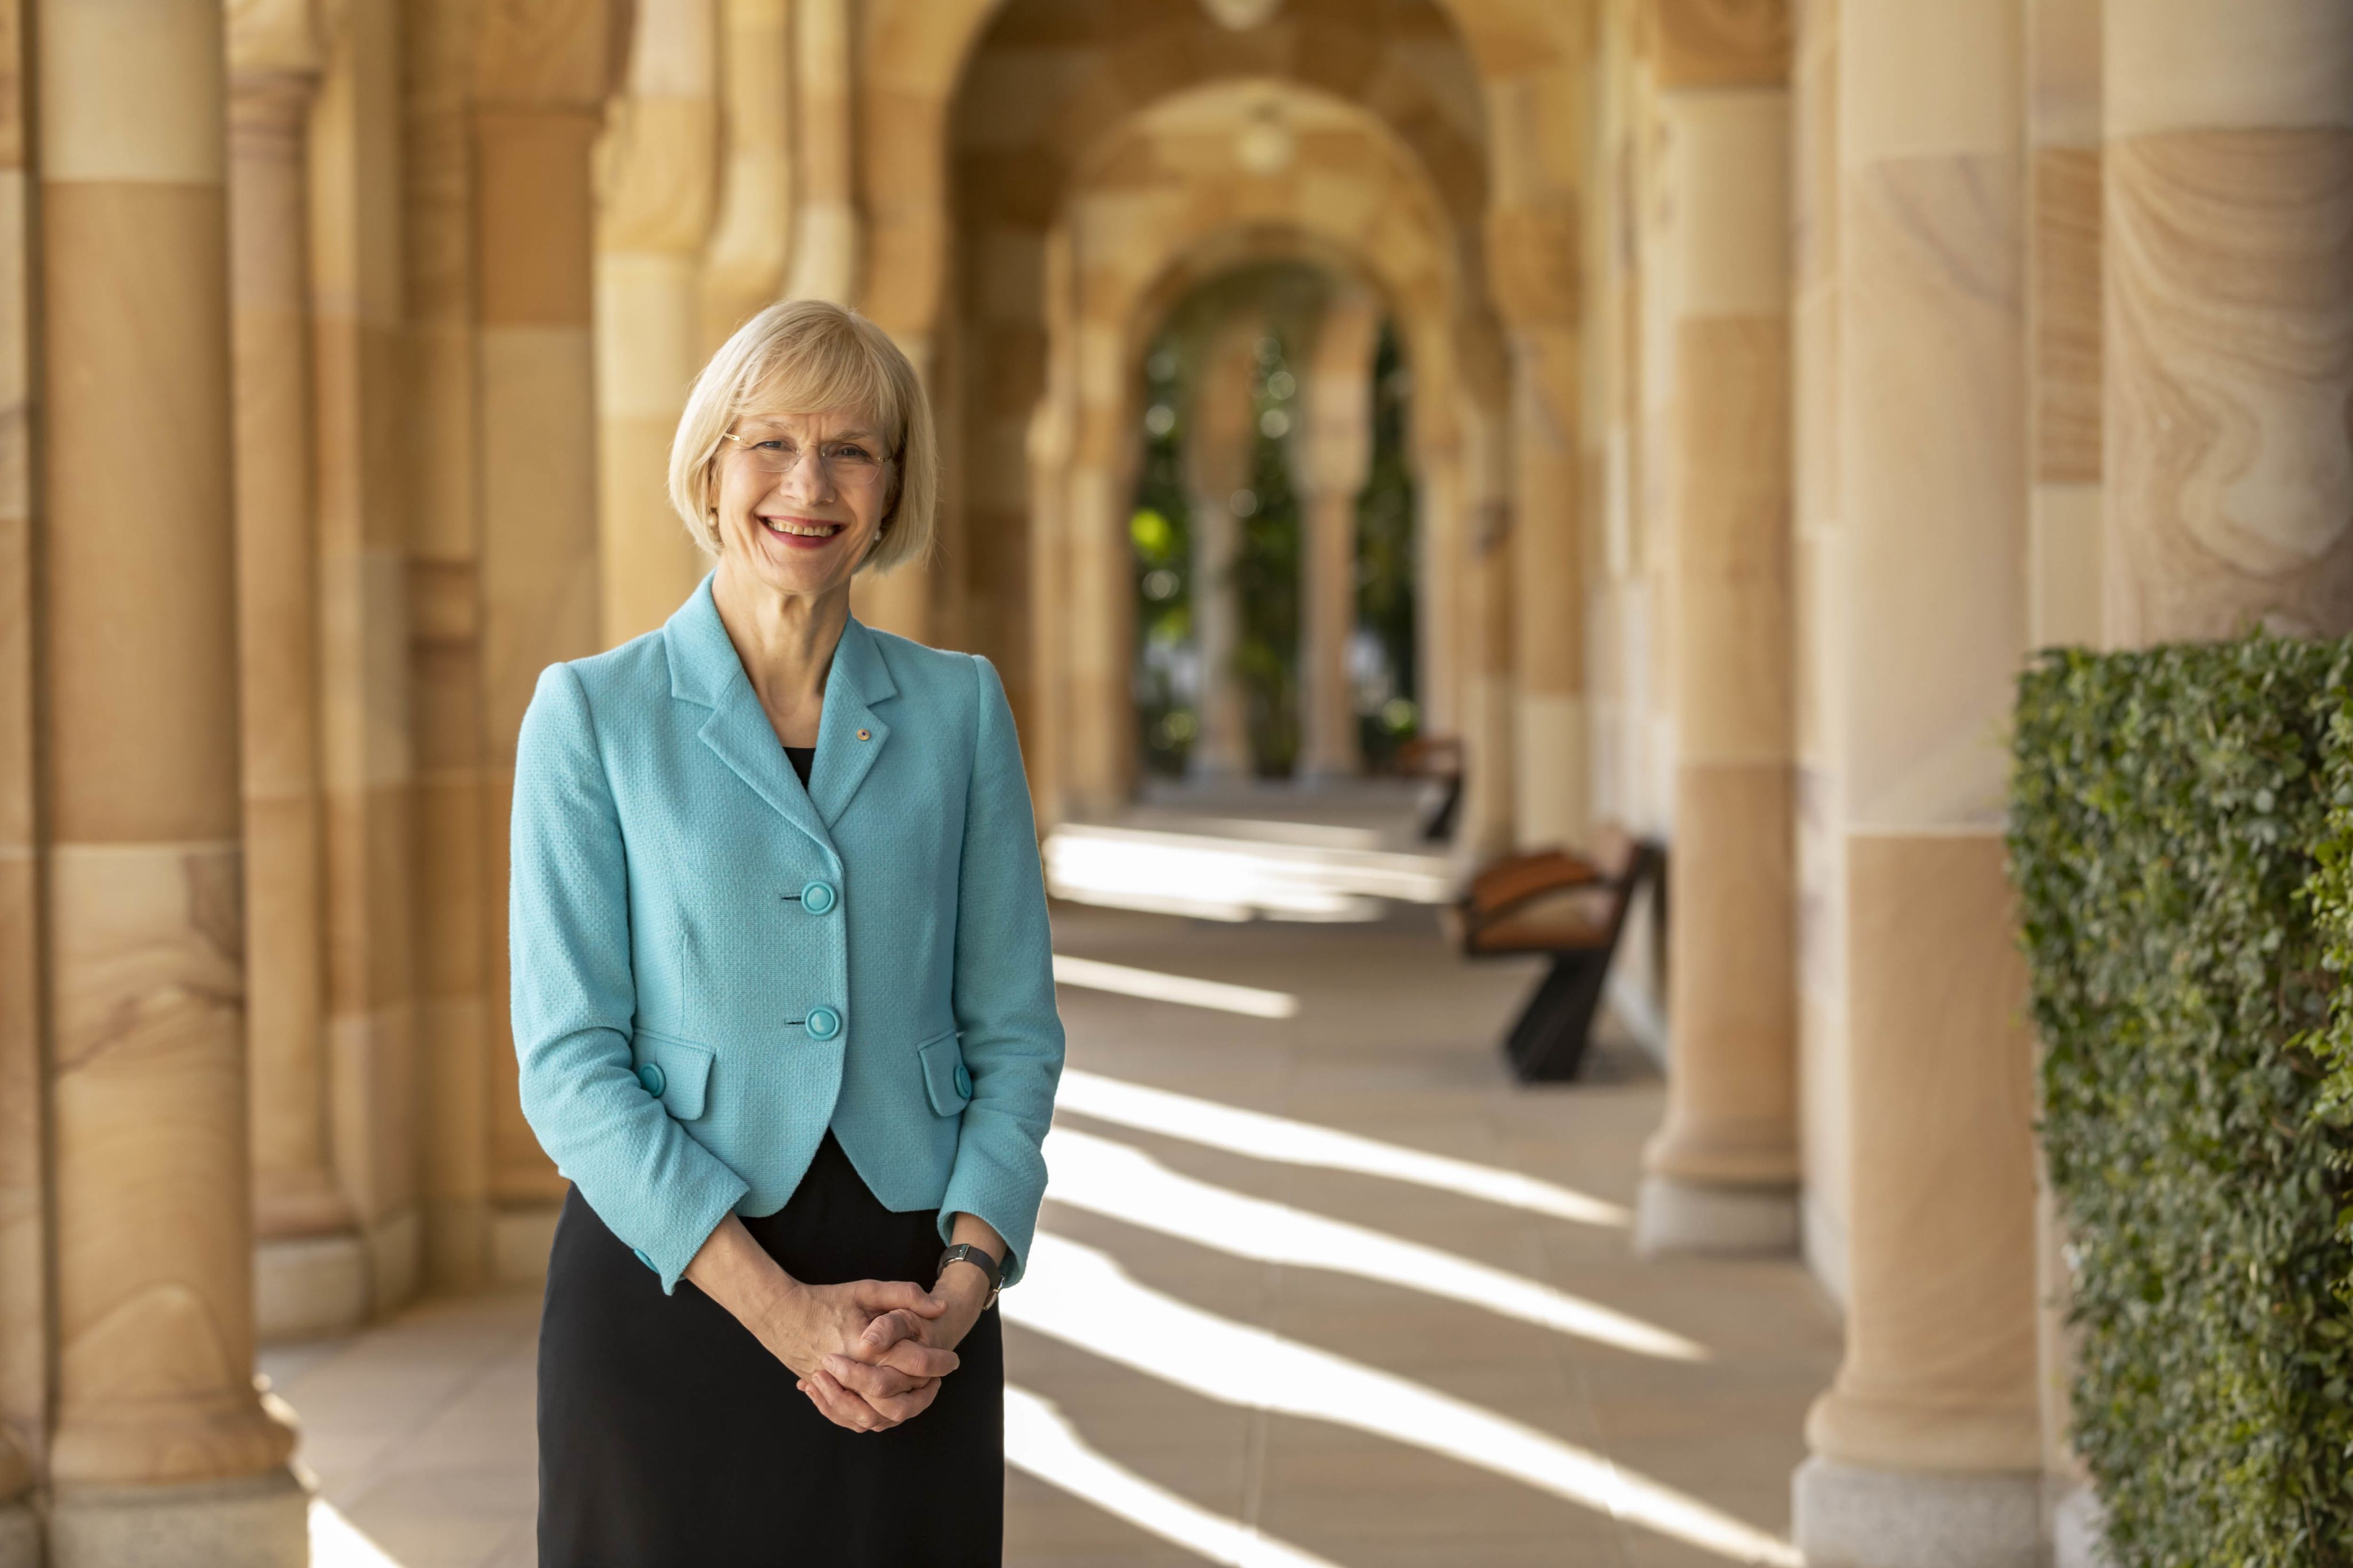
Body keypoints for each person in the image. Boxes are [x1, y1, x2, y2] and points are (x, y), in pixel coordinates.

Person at [509, 298, 1064, 1565]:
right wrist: (784, 1318)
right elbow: (566, 1062)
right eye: (769, 443)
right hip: (674, 1279)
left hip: (910, 1309)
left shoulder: (960, 709)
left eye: (851, 450)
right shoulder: (590, 716)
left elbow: (1014, 1034)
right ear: (711, 466)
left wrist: (960, 1297)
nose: (806, 486)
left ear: (891, 485)